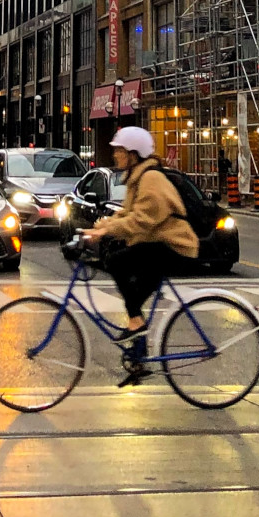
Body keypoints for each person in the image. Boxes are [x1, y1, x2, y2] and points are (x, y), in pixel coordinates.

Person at [83, 126, 199, 361]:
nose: (115, 155)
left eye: (120, 151)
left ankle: (136, 324)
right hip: (160, 244)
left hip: (174, 246)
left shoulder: (151, 178)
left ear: (134, 154)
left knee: (117, 262)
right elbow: (126, 214)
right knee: (133, 288)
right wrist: (99, 228)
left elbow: (141, 220)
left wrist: (106, 231)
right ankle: (139, 354)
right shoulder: (138, 178)